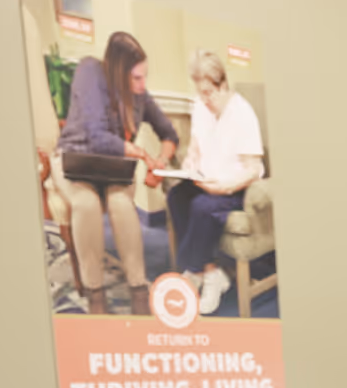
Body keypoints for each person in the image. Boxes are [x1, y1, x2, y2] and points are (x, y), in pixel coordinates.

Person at [53, 30, 178, 315]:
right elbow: (97, 137)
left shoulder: (139, 95)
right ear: (118, 72)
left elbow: (169, 133)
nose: (142, 84)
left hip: (113, 171)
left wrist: (160, 161)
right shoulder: (90, 71)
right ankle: (95, 294)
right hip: (76, 161)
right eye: (136, 78)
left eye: (144, 77)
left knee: (122, 204)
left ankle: (138, 289)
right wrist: (143, 155)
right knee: (86, 205)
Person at [165, 49, 265, 316]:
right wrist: (189, 165)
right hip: (206, 180)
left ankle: (194, 271)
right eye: (200, 92)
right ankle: (210, 271)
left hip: (236, 187)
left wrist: (225, 187)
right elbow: (195, 149)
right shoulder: (200, 106)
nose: (204, 99)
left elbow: (253, 169)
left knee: (201, 207)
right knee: (176, 197)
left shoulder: (242, 113)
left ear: (222, 84)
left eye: (209, 93)